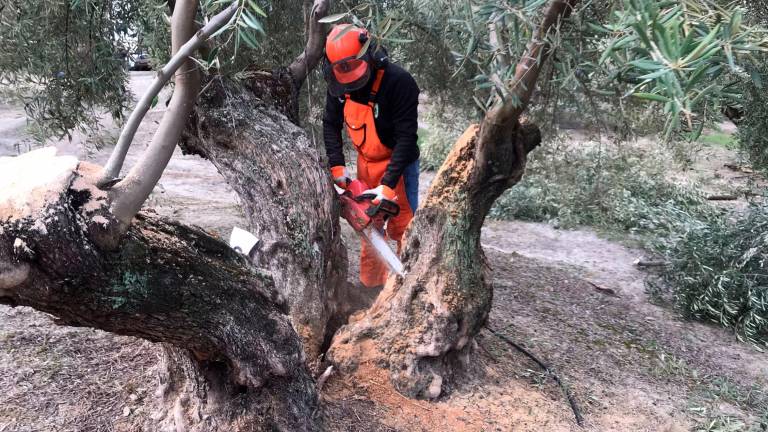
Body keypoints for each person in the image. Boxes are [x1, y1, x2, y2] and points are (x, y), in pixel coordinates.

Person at [322, 24, 420, 289]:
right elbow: (330, 123)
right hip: (366, 162)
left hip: (399, 164)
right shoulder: (340, 87)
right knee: (369, 227)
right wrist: (337, 165)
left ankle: (406, 288)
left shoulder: (398, 82)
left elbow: (406, 139)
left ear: (370, 55)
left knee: (405, 228)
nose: (352, 81)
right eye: (342, 72)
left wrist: (387, 187)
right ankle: (371, 289)